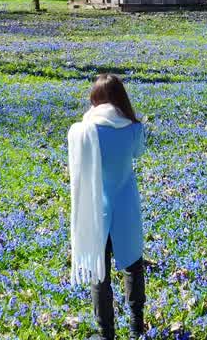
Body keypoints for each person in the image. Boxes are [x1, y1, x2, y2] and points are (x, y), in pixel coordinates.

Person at [68, 74, 147, 339]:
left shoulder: (83, 131)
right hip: (126, 209)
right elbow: (138, 151)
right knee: (133, 266)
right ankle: (137, 328)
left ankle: (106, 333)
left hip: (94, 210)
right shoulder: (133, 129)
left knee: (98, 273)